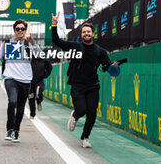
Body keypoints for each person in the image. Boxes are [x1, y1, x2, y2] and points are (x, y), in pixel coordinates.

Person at [51, 12, 119, 148]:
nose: (86, 34)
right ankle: (75, 115)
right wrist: (54, 25)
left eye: (89, 31)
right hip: (77, 85)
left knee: (92, 112)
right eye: (84, 32)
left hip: (93, 85)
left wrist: (113, 67)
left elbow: (108, 68)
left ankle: (85, 137)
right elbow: (57, 41)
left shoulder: (101, 52)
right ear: (81, 34)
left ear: (93, 34)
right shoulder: (74, 47)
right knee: (81, 109)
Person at [0, 19, 41, 143]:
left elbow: (40, 56)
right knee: (12, 101)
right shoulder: (7, 43)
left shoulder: (29, 44)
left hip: (25, 79)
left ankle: (16, 130)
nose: (20, 31)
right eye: (17, 29)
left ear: (25, 31)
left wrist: (33, 43)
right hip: (10, 78)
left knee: (21, 106)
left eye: (22, 29)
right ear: (14, 30)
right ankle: (9, 129)